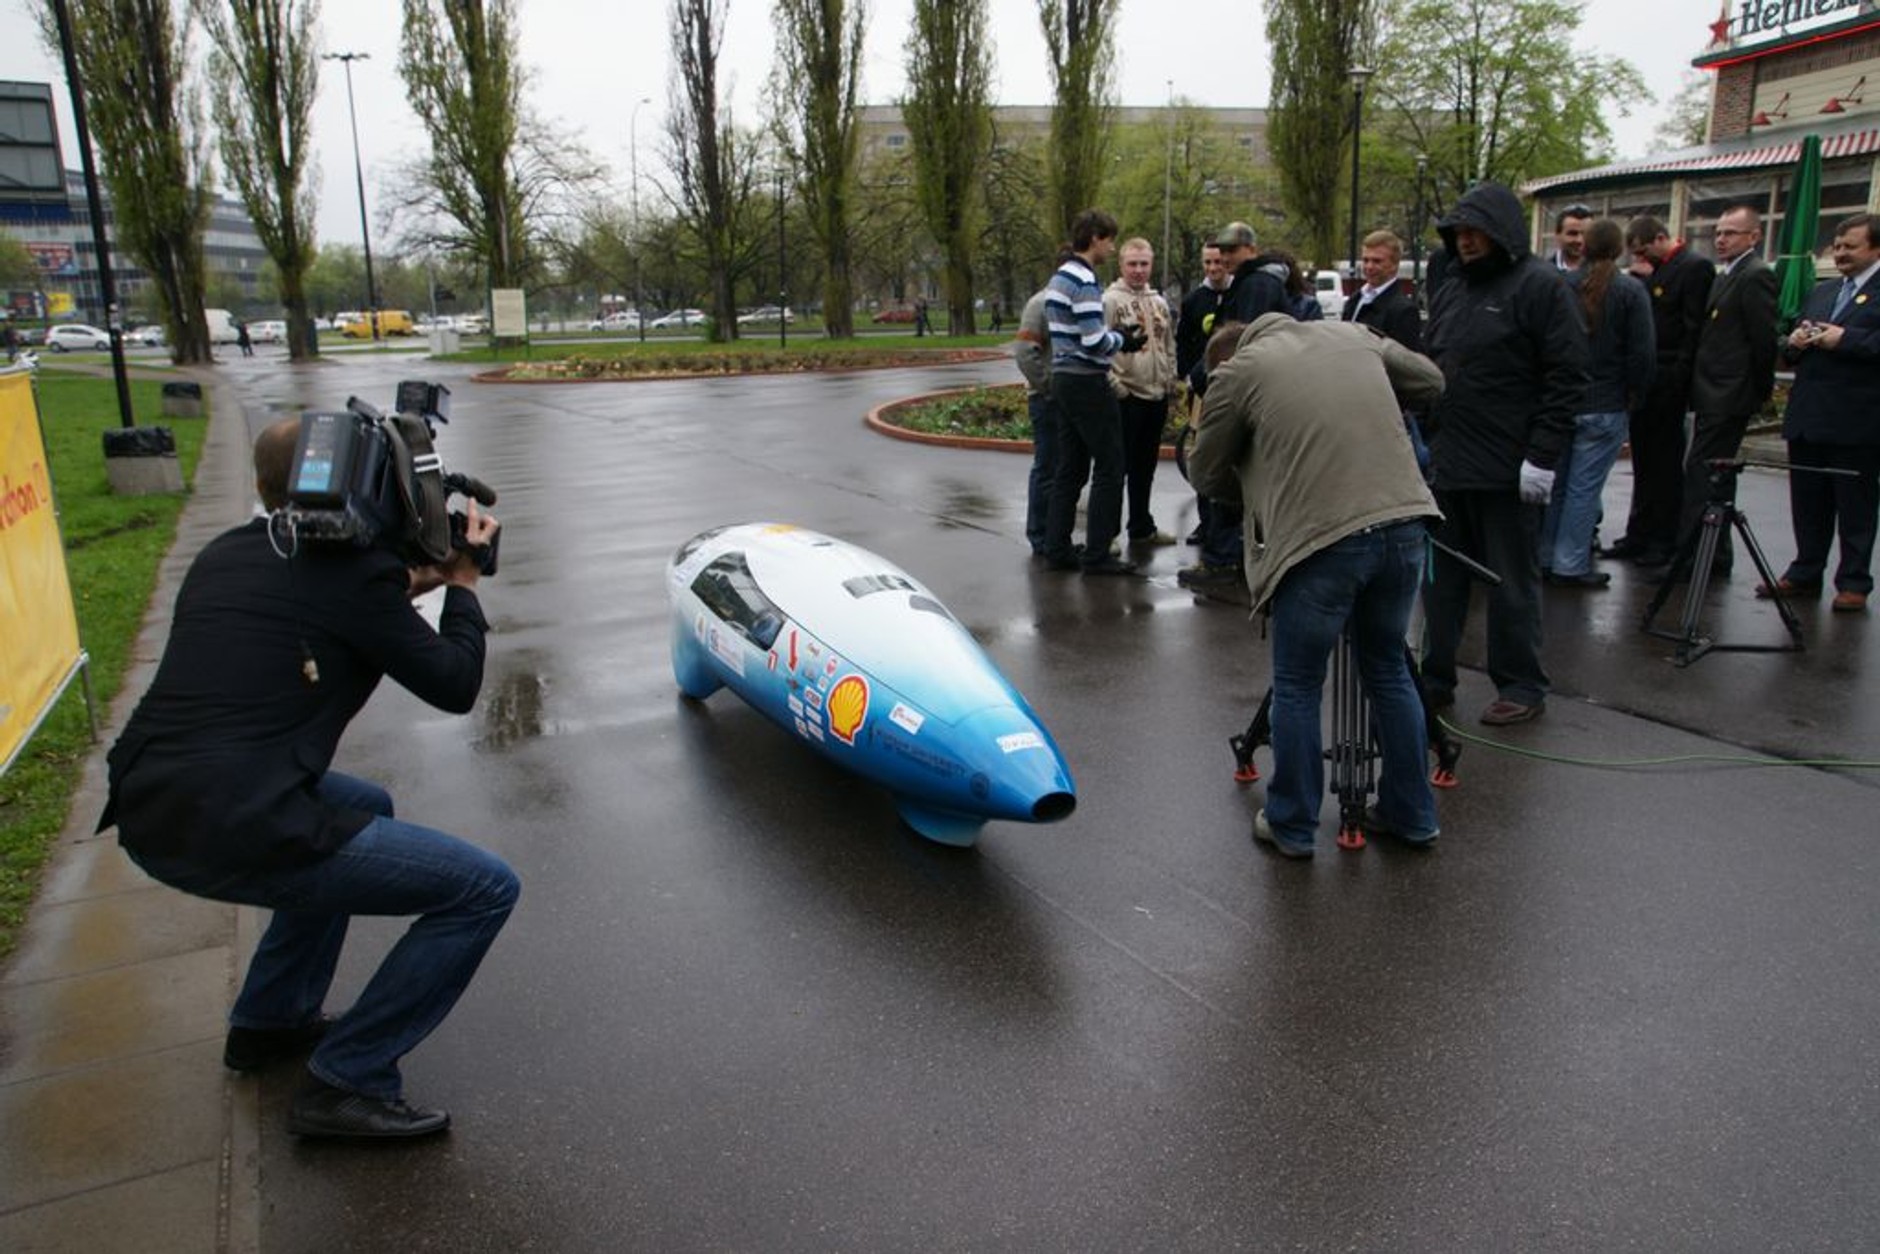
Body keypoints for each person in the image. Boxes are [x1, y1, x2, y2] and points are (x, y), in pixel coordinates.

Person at [98, 417, 517, 1140]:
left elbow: (334, 605)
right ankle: (347, 1079)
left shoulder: (229, 551)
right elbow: (453, 683)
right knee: (482, 889)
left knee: (365, 803)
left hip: (152, 805)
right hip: (234, 824)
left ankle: (269, 1020)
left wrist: (409, 580)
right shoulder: (354, 580)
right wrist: (465, 584)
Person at [1187, 314, 1446, 859]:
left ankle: (1292, 823)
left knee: (1299, 683)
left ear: (1226, 359)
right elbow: (1430, 381)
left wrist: (1259, 467)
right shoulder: (1352, 335)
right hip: (1405, 523)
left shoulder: (1241, 372)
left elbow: (1206, 474)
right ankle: (1413, 814)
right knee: (1389, 670)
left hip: (1319, 540)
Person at [1420, 180, 1589, 727]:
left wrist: (1543, 455)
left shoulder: (1540, 286)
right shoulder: (1451, 286)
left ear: (1500, 232)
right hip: (1450, 461)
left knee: (1511, 582)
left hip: (1509, 466)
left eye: (1475, 232)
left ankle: (1520, 682)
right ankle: (1434, 676)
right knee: (1440, 581)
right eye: (1459, 233)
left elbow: (1567, 375)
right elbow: (1432, 362)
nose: (1466, 242)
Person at [1763, 212, 1880, 612]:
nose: (1841, 253)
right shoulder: (1823, 291)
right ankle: (1804, 571)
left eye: (1852, 246)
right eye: (1838, 245)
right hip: (1809, 415)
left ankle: (1854, 582)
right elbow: (1794, 342)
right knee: (1808, 501)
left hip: (1857, 420)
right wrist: (1793, 342)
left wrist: (1846, 339)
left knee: (1855, 505)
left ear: (1876, 248)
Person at [1178, 221, 1294, 593]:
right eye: (1220, 252)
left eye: (1230, 252)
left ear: (1250, 249)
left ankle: (1224, 559)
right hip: (1259, 388)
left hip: (1243, 389)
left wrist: (1201, 375)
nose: (1224, 259)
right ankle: (1237, 555)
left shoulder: (1257, 284)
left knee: (1225, 473)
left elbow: (1238, 338)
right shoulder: (1258, 281)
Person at [1540, 218, 1655, 588]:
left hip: (1563, 401)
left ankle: (1545, 554)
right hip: (1605, 403)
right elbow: (1642, 354)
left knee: (1557, 485)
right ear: (1619, 248)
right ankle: (1570, 562)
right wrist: (1636, 394)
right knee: (1584, 489)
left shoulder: (1561, 287)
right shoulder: (1630, 292)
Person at [1672, 204, 1779, 578]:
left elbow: (1763, 340)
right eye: (1718, 232)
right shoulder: (1725, 276)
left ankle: (1689, 559)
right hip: (1712, 390)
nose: (1721, 239)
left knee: (1701, 473)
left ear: (1754, 236)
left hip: (1729, 392)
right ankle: (1714, 555)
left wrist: (1758, 390)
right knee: (1716, 477)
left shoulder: (1755, 276)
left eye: (1730, 232)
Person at [1041, 209, 1146, 576]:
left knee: (1070, 466)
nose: (1111, 247)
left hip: (1063, 379)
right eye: (1110, 240)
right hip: (1086, 380)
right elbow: (1094, 339)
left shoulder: (1059, 277)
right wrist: (1125, 340)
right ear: (1096, 238)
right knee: (1111, 464)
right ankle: (1098, 552)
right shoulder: (1084, 279)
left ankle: (1056, 546)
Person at [1602, 215, 1710, 567]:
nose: (1642, 259)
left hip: (1668, 382)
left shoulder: (1693, 268)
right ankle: (1639, 532)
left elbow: (1692, 329)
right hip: (1649, 380)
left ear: (1661, 238)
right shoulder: (1657, 271)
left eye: (1645, 250)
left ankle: (1662, 539)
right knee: (1645, 464)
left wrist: (1678, 377)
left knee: (1664, 466)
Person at [1104, 237, 1179, 546]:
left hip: (1156, 394)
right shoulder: (1109, 301)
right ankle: (1106, 533)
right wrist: (1116, 387)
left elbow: (1168, 344)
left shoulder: (1159, 302)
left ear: (1151, 265)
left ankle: (1141, 525)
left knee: (1145, 466)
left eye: (1144, 264)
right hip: (1127, 395)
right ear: (1121, 265)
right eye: (1132, 264)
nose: (1138, 270)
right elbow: (1097, 348)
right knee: (1116, 468)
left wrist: (1170, 378)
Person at [1175, 244, 1230, 547]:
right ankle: (1205, 521)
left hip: (1231, 388)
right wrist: (1187, 377)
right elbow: (1183, 341)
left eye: (1219, 261)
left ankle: (1226, 525)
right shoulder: (1195, 299)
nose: (1213, 268)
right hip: (1202, 390)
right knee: (1201, 454)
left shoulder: (1238, 295)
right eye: (1207, 262)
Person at [1014, 285, 1060, 557]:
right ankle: (1040, 535)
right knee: (1047, 467)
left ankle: (1056, 536)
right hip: (1047, 400)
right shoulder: (1040, 304)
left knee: (1064, 469)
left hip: (1069, 400)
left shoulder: (1076, 301)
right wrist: (1050, 387)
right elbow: (1024, 351)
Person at [1344, 229, 1422, 352]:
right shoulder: (1355, 300)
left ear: (1395, 265)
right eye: (1365, 260)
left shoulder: (1404, 310)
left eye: (1377, 261)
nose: (1369, 267)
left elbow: (1405, 363)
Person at [1550, 204, 1593, 273]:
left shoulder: (1605, 273)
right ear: (1557, 236)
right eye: (1573, 233)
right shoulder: (1542, 274)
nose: (1580, 240)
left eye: (1586, 234)